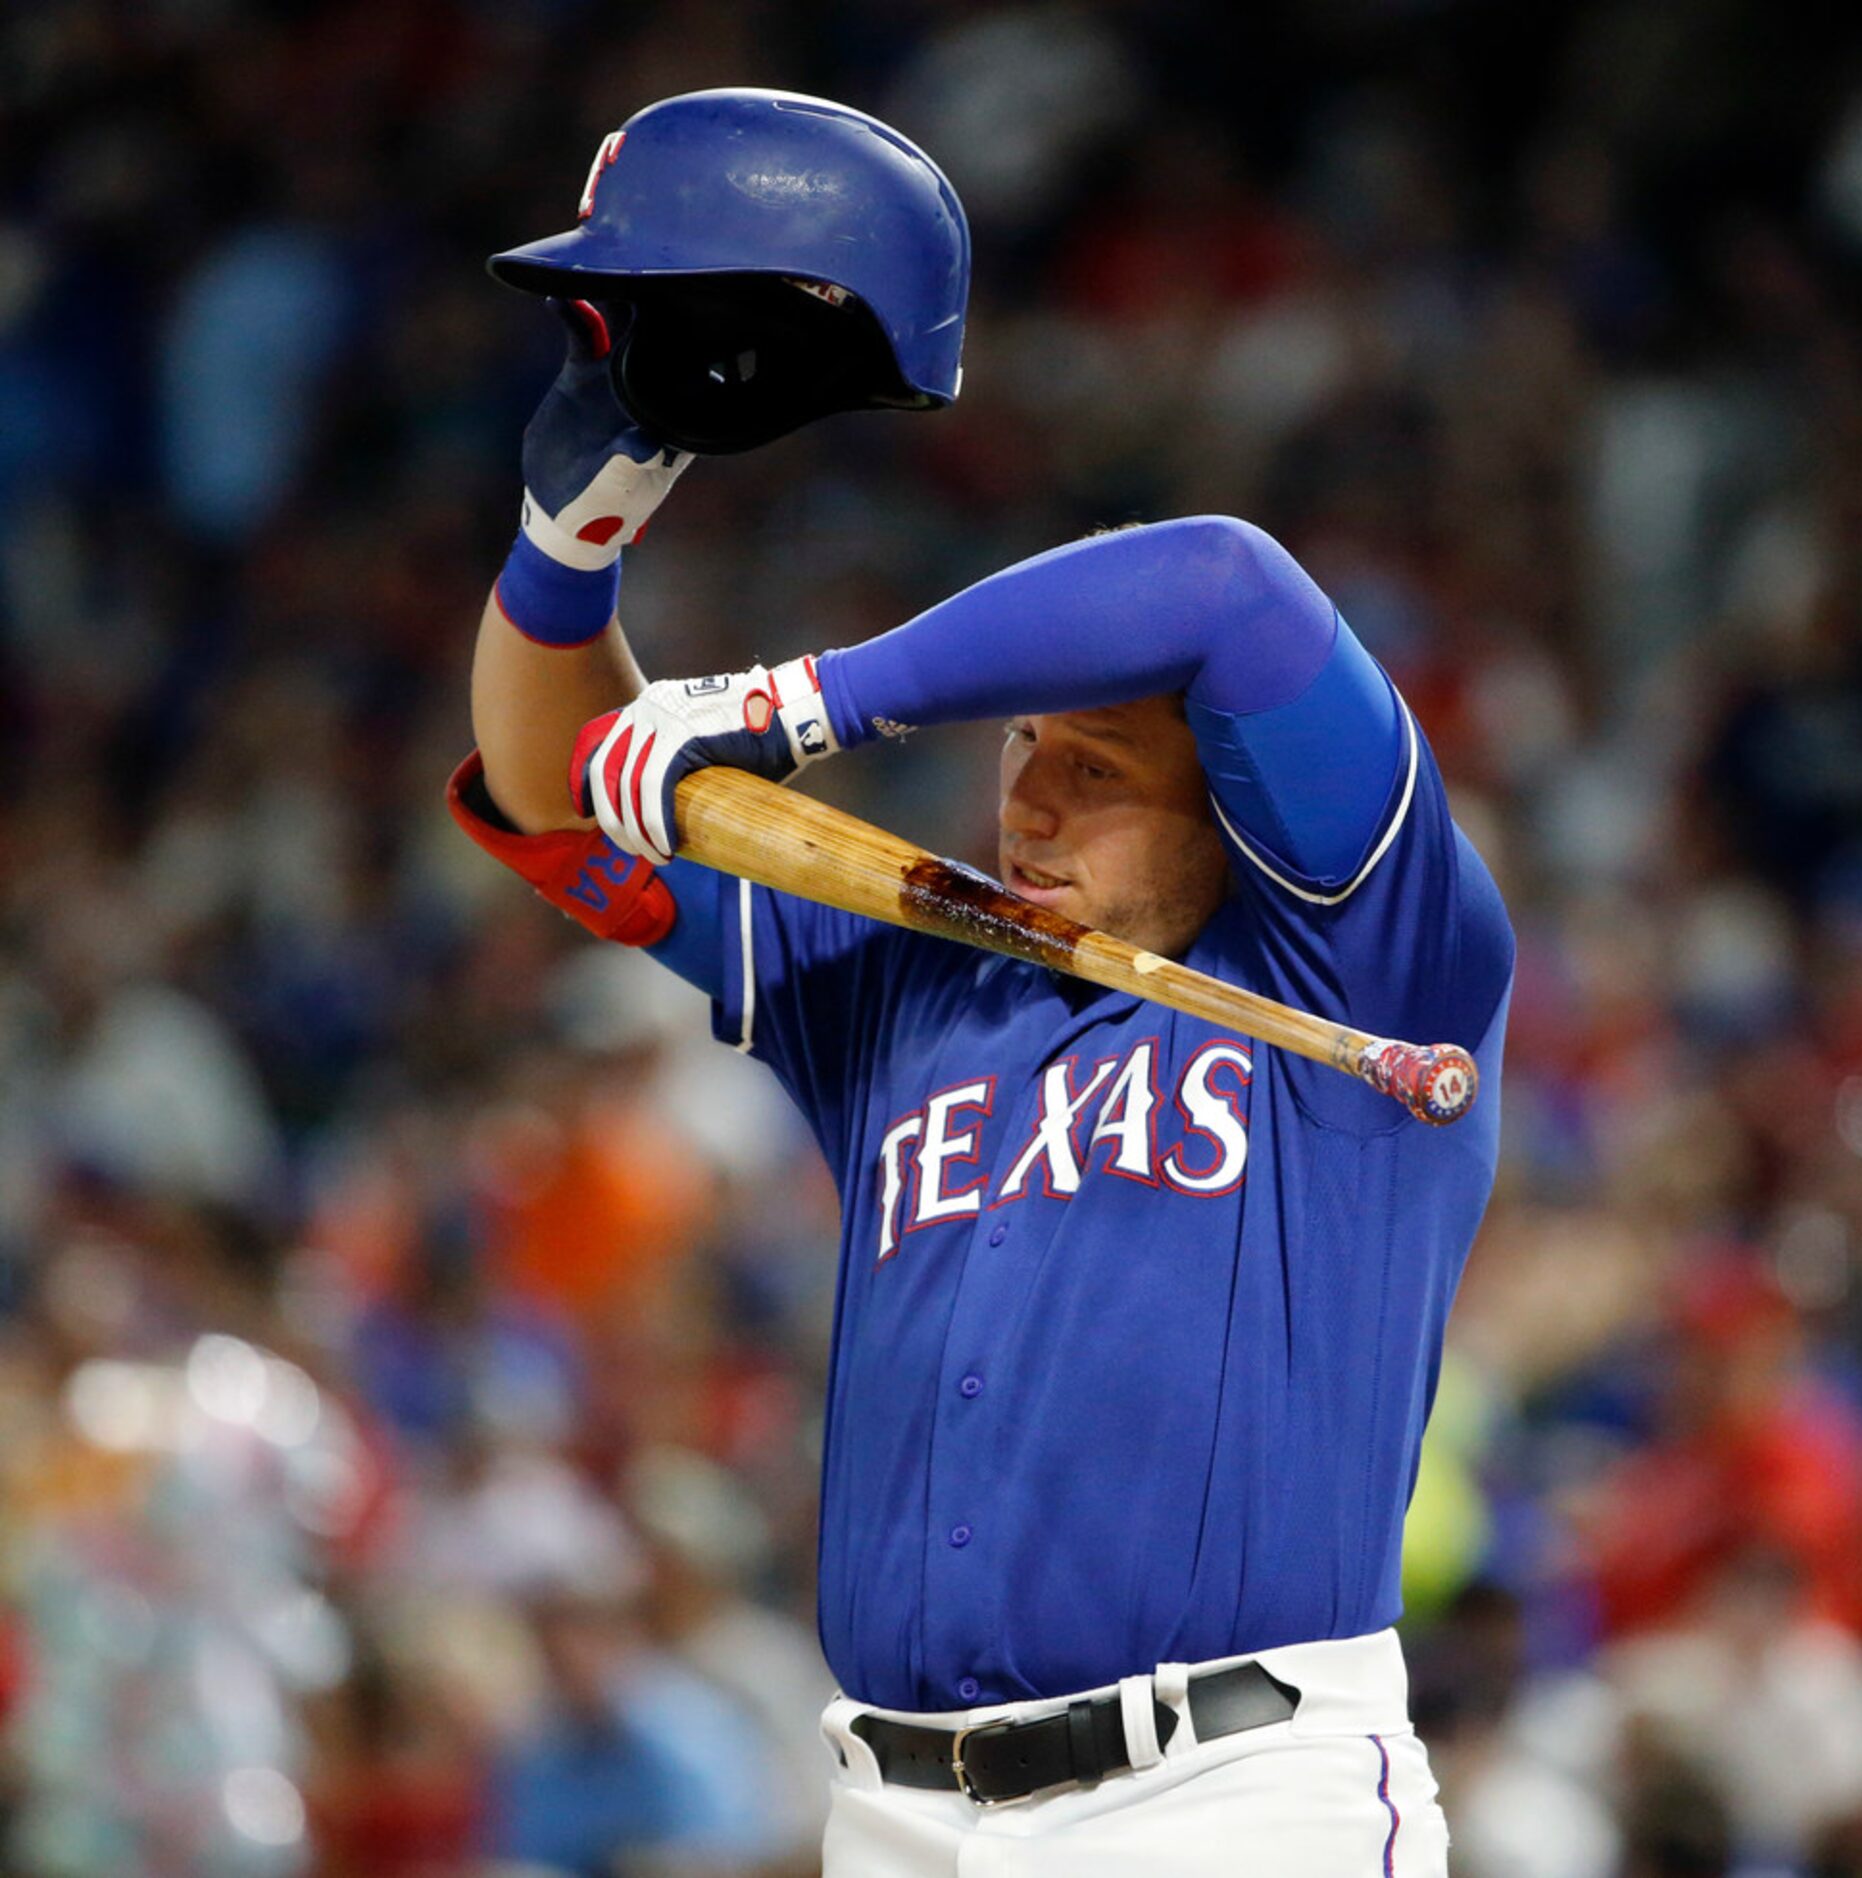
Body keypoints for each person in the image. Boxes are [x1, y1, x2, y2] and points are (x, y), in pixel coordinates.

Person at [454, 90, 1513, 1878]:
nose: (1029, 792)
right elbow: (559, 785)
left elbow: (1225, 583)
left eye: (1096, 762)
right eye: (1019, 746)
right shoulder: (898, 967)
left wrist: (816, 699)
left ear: (1235, 803)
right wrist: (585, 509)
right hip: (892, 1809)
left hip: (1232, 1795)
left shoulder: (1361, 951)